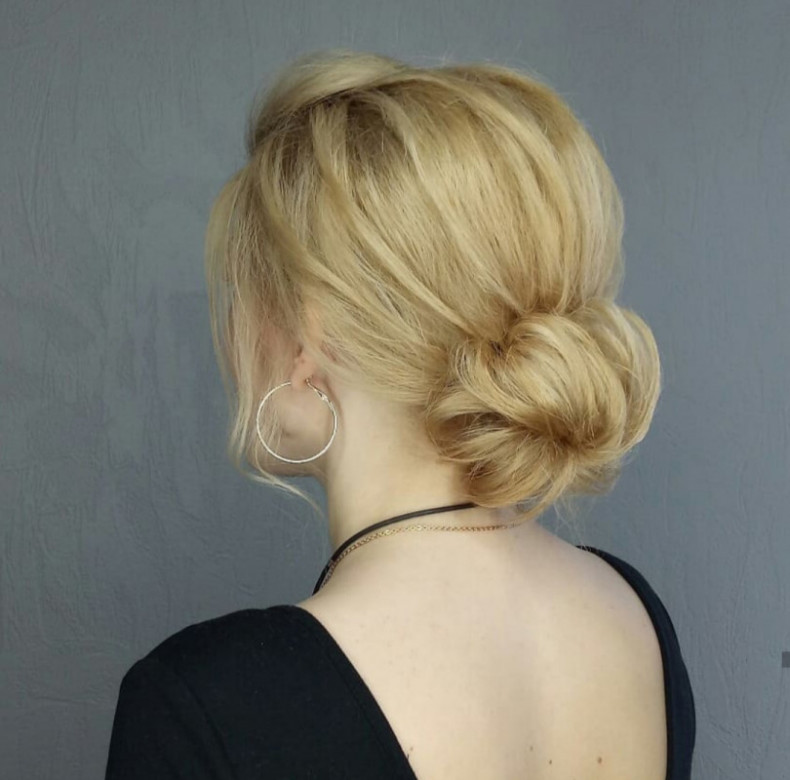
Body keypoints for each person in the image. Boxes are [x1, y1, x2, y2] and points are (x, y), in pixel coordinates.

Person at [105, 48, 695, 779]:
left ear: (309, 335)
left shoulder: (203, 702)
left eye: (242, 293)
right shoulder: (633, 614)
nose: (229, 333)